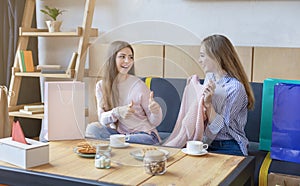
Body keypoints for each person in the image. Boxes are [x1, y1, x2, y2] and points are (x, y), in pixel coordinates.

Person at [85, 41, 163, 145]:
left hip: (144, 134)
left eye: (130, 57)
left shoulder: (139, 86)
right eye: (122, 56)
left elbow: (154, 122)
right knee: (92, 128)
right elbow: (102, 120)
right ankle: (117, 141)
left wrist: (156, 111)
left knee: (144, 139)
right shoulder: (101, 86)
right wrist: (117, 112)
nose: (127, 61)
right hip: (119, 133)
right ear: (112, 59)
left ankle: (116, 141)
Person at [199, 34, 255, 156]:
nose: (200, 60)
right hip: (207, 142)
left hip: (229, 144)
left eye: (203, 56)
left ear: (216, 57)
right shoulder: (210, 78)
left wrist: (208, 104)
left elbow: (222, 128)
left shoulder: (235, 87)